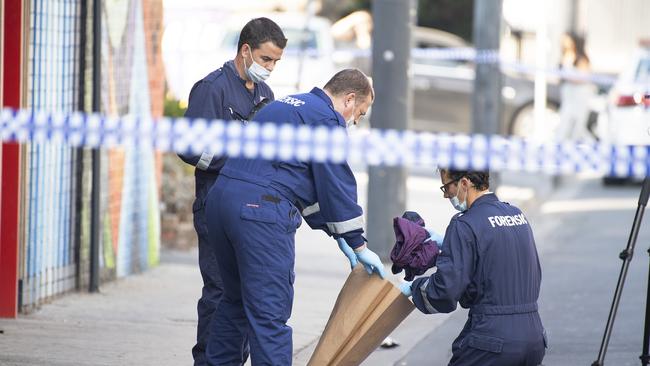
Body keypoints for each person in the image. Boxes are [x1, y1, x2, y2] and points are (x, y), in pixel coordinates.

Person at [204, 69, 386, 365]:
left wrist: (335, 232)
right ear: (350, 99)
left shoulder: (286, 104)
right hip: (259, 213)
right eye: (360, 114)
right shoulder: (326, 120)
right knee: (269, 315)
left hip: (221, 201)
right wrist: (358, 244)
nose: (355, 121)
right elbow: (335, 183)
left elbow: (300, 184)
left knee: (234, 302)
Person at [177, 17, 286, 366]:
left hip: (252, 213)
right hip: (215, 206)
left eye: (275, 62)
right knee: (220, 292)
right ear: (245, 50)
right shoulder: (213, 89)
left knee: (244, 295)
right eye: (266, 59)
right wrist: (234, 160)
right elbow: (189, 148)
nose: (270, 68)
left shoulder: (266, 94)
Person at [400, 169, 546, 366]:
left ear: (464, 183)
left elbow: (444, 291)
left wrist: (414, 288)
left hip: (491, 341)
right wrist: (450, 245)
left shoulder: (464, 224)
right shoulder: (516, 214)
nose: (445, 195)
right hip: (534, 337)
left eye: (446, 187)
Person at [556, 31, 595, 141]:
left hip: (579, 95)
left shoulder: (581, 58)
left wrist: (570, 78)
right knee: (565, 122)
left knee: (577, 125)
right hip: (568, 95)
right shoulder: (565, 56)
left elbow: (585, 77)